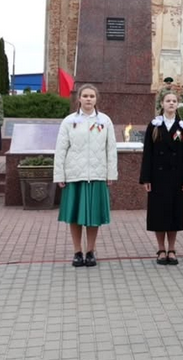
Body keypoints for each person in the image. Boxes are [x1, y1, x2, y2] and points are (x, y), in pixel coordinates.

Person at [54, 84, 118, 267]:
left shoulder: (105, 121)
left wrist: (110, 173)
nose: (89, 99)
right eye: (85, 96)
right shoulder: (69, 121)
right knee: (75, 216)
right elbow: (61, 149)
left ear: (96, 99)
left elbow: (111, 149)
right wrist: (59, 175)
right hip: (75, 175)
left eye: (92, 96)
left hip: (97, 175)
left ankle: (90, 251)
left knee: (93, 215)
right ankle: (77, 251)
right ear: (79, 99)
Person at [140, 92, 183, 265]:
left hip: (177, 178)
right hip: (157, 177)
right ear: (162, 104)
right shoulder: (154, 125)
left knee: (174, 214)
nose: (171, 103)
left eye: (174, 101)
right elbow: (147, 153)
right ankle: (161, 248)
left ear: (177, 105)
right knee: (158, 214)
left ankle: (172, 248)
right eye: (168, 101)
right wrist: (146, 178)